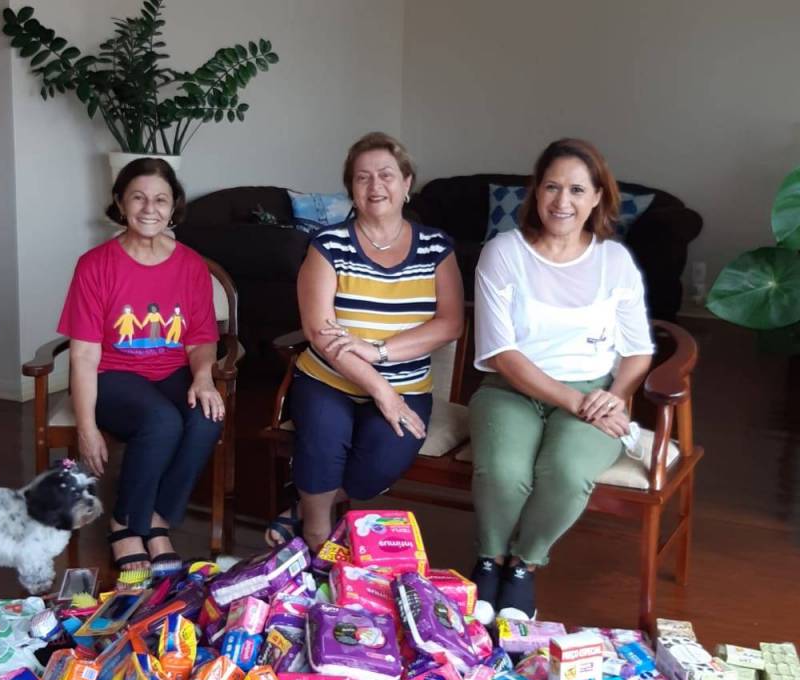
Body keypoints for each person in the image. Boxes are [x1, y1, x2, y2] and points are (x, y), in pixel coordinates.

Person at [469, 138, 654, 622]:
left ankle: (523, 565)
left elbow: (638, 350)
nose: (562, 201)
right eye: (551, 187)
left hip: (594, 392)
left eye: (576, 189)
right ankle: (489, 559)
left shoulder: (615, 261)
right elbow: (502, 354)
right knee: (504, 472)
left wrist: (614, 397)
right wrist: (575, 401)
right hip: (511, 390)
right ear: (536, 192)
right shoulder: (503, 253)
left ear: (597, 197)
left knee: (568, 473)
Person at [265, 132, 464, 552]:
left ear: (407, 183)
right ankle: (316, 538)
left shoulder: (436, 247)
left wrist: (379, 354)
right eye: (363, 177)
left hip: (407, 384)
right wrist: (380, 389)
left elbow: (450, 323)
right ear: (351, 188)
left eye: (386, 175)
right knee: (322, 442)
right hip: (329, 379)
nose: (376, 186)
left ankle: (302, 505)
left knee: (382, 462)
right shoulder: (328, 245)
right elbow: (320, 332)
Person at [57, 158, 224, 587]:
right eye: (138, 197)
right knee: (161, 421)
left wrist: (203, 377)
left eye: (160, 200)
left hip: (172, 372)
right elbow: (84, 356)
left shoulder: (190, 265)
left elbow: (201, 338)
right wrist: (87, 427)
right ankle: (126, 522)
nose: (150, 208)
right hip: (113, 376)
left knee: (205, 418)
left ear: (173, 206)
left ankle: (157, 517)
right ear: (120, 202)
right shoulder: (95, 265)